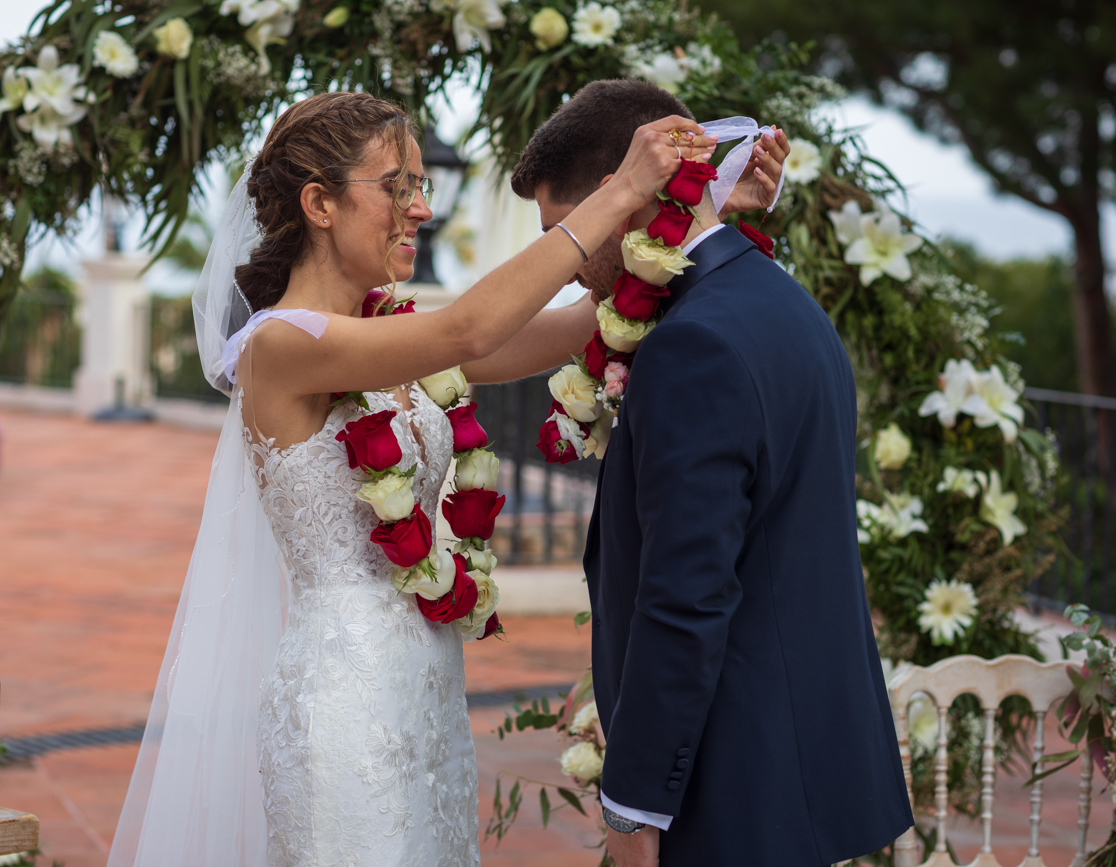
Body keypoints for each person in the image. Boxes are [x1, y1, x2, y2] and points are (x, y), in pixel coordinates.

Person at [107, 90, 713, 867]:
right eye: (398, 186)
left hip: (427, 689)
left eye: (420, 186)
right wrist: (622, 189)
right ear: (320, 204)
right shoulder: (278, 346)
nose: (421, 209)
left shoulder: (391, 334)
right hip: (344, 703)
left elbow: (576, 327)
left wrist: (697, 214)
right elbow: (469, 330)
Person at [510, 79, 914, 866]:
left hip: (733, 785)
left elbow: (687, 594)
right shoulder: (783, 303)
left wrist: (633, 804)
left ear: (619, 194)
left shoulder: (689, 345)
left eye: (568, 231)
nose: (566, 265)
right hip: (803, 770)